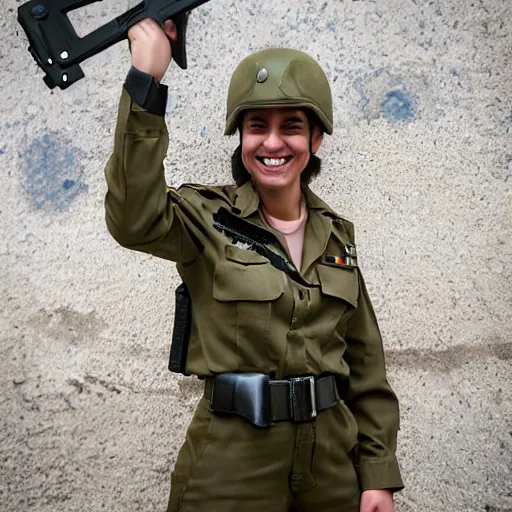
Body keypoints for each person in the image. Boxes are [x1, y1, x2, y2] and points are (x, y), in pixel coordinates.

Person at [104, 18, 404, 512]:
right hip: (232, 462)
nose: (272, 143)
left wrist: (376, 475)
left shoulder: (338, 237)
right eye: (256, 125)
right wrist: (145, 82)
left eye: (291, 126)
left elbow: (366, 368)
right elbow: (133, 220)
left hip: (330, 462)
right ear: (240, 137)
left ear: (317, 140)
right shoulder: (205, 218)